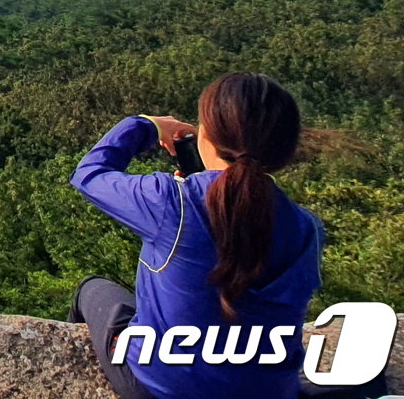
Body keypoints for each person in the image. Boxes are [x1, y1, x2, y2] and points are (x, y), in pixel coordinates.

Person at [67, 72, 384, 399]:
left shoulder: (171, 201)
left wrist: (145, 124)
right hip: (267, 390)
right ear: (283, 153)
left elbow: (90, 174)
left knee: (92, 290)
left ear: (206, 137)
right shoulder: (308, 229)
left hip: (162, 387)